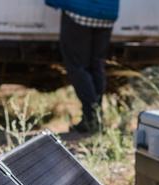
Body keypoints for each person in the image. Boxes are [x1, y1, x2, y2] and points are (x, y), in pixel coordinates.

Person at [46, 0, 120, 134]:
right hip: (107, 12)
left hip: (79, 11)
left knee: (77, 66)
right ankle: (94, 117)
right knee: (96, 66)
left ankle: (92, 116)